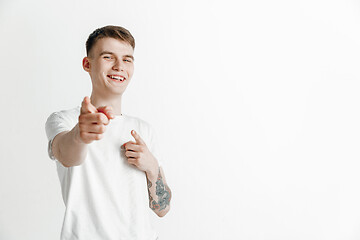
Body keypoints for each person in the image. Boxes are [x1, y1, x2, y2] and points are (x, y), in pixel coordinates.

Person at [45, 25, 172, 240]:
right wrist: (80, 135)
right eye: (108, 57)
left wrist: (151, 167)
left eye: (127, 59)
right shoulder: (64, 120)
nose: (119, 66)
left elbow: (162, 208)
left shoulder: (143, 130)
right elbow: (66, 155)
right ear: (87, 64)